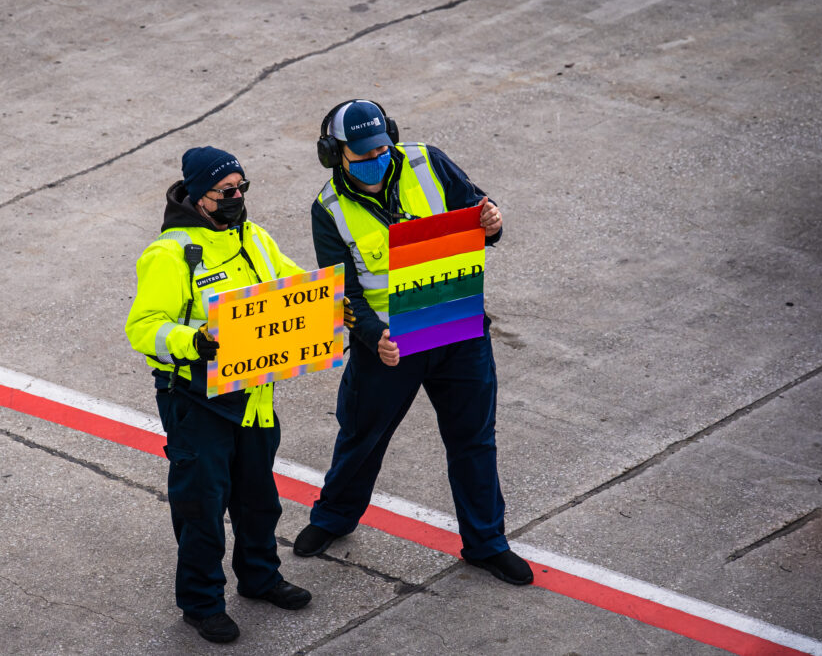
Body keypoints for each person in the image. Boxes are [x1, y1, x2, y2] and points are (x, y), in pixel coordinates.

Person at [293, 100, 533, 586]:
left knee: (473, 441)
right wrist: (371, 334)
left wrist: (494, 223)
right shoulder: (329, 210)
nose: (375, 159)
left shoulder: (428, 162)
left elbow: (480, 215)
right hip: (389, 346)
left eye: (382, 148)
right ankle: (332, 520)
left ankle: (487, 544)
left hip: (456, 329)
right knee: (363, 437)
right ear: (332, 153)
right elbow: (344, 292)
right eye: (361, 154)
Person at [125, 146, 312, 644]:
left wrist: (335, 308)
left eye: (242, 188)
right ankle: (202, 603)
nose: (236, 198)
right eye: (225, 191)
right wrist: (195, 342)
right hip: (195, 399)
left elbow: (297, 287)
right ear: (197, 195)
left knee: (258, 499)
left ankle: (259, 578)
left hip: (253, 396)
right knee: (201, 507)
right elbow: (144, 328)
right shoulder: (169, 254)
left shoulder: (255, 238)